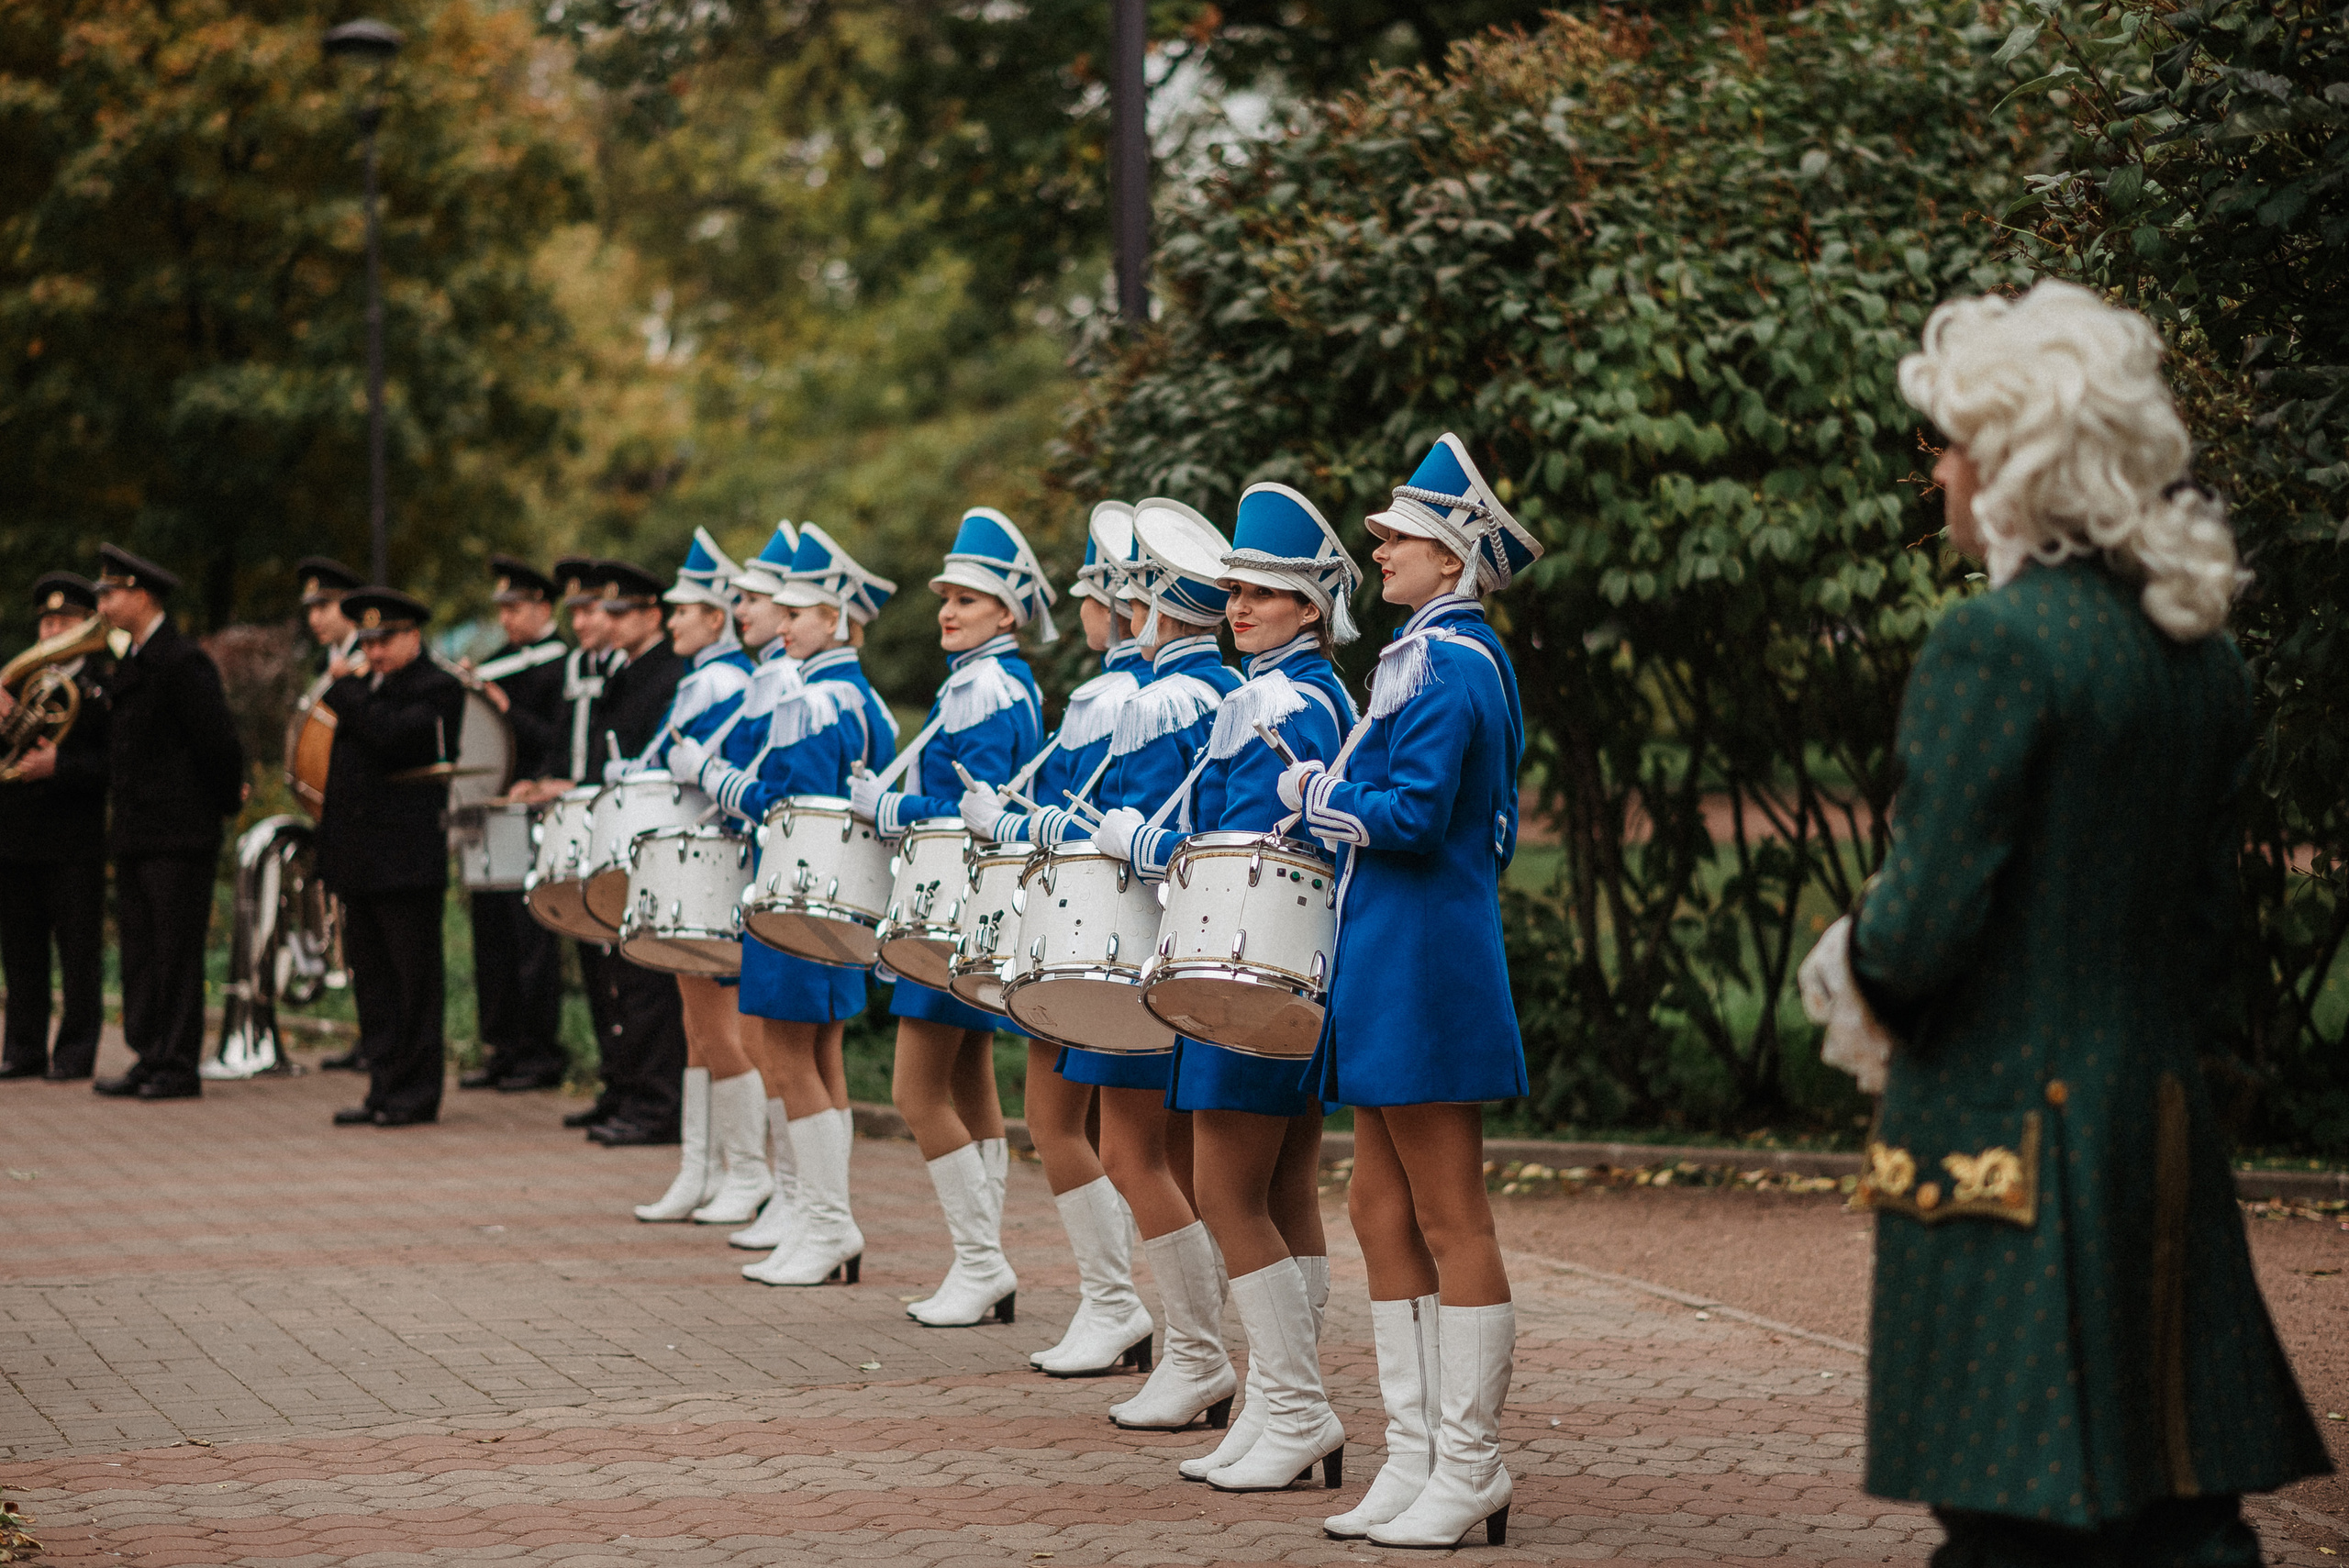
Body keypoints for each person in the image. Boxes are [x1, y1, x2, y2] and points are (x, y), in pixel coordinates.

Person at [1817, 281, 2331, 1568]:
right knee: (2180, 1515)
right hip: (2158, 1125)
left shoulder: (1993, 645)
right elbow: (2205, 937)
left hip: (2007, 1140)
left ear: (2013, 464)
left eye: (1952, 443)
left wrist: (1850, 963)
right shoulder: (2201, 655)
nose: (1938, 470)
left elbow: (1920, 935)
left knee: (2010, 1525)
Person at [1280, 433, 1538, 1548]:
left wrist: (1315, 794)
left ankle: (1471, 1463)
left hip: (1428, 954)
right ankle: (1417, 1453)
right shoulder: (1424, 655)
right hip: (1394, 950)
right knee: (1377, 1208)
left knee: (1448, 1210)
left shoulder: (1452, 662)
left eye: (1401, 539)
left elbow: (1420, 815)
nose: (1379, 549)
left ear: (1454, 559)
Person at [1101, 484, 1360, 1490]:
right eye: (1235, 591)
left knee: (1226, 1189)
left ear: (1309, 605)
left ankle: (1294, 1406)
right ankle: (1276, 1402)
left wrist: (1147, 844)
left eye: (1261, 593)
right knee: (1283, 1186)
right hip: (1280, 964)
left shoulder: (1282, 703)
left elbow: (1250, 847)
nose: (1237, 607)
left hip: (1247, 957)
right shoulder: (1288, 693)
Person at [970, 499, 1243, 1426]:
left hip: (1130, 940)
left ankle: (1191, 1349)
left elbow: (1132, 827)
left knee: (1135, 1151)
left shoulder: (1160, 698)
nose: (1100, 611)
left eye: (1111, 593)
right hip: (1151, 938)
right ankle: (1178, 1340)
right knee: (1166, 1156)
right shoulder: (1195, 690)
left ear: (1146, 603)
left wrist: (1030, 828)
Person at [961, 503, 1152, 1376]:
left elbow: (1088, 820)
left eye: (1089, 593)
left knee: (1073, 1127)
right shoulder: (1114, 690)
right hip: (1086, 923)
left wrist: (1010, 823)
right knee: (1089, 1129)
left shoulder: (1120, 696)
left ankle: (1118, 1304)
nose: (1078, 608)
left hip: (1095, 929)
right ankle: (1113, 1304)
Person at [851, 507, 1049, 1329]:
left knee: (914, 1089)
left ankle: (982, 1262)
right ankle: (982, 1261)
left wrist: (891, 807)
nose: (947, 611)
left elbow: (980, 805)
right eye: (945, 597)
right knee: (969, 1084)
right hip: (969, 904)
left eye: (966, 599)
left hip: (952, 903)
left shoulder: (986, 689)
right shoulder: (985, 680)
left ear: (1006, 612)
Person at [682, 522, 895, 1285]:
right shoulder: (860, 695)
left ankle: (825, 1221)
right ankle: (815, 1215)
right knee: (820, 1055)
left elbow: (786, 803)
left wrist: (711, 775)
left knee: (787, 1054)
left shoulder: (812, 697)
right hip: (840, 895)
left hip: (798, 889)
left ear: (834, 619)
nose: (782, 624)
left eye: (797, 613)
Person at [612, 532, 767, 1222]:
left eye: (684, 611)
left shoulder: (721, 681)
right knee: (696, 1023)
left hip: (708, 861)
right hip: (692, 860)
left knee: (716, 1026)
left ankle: (747, 1170)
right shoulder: (709, 676)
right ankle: (701, 1168)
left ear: (717, 617)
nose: (672, 621)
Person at [90, 545, 245, 1102]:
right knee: (141, 952)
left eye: (111, 592)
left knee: (174, 952)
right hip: (139, 831)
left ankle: (177, 1063)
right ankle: (149, 1053)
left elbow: (217, 744)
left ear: (142, 595)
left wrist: (220, 805)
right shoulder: (134, 660)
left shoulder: (181, 661)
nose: (102, 604)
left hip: (178, 833)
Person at [315, 588, 469, 1129]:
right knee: (374, 983)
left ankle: (416, 1092)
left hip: (406, 863)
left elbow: (391, 738)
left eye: (385, 641)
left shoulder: (438, 687)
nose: (374, 653)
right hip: (360, 861)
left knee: (413, 983)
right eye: (368, 642)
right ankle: (382, 1086)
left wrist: (345, 690)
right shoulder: (365, 689)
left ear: (413, 636)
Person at [576, 559, 691, 1148]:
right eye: (610, 612)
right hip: (621, 829)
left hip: (650, 833)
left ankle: (656, 1102)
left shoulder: (670, 672)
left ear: (654, 614)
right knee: (617, 973)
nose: (611, 622)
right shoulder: (625, 671)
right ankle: (625, 1087)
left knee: (647, 980)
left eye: (623, 613)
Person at [457, 556, 572, 1092]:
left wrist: (505, 709)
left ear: (543, 608)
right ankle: (500, 1045)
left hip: (533, 809)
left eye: (516, 608)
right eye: (501, 609)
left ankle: (538, 1050)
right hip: (491, 809)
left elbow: (557, 741)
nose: (505, 619)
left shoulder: (560, 663)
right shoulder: (499, 661)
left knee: (531, 938)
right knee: (492, 934)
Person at [0, 573, 113, 1082]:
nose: (52, 632)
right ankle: (22, 1049)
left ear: (85, 625)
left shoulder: (101, 686)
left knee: (78, 952)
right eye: (46, 623)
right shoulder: (18, 683)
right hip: (17, 837)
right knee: (20, 951)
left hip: (74, 839)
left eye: (64, 622)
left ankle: (75, 1052)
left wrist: (60, 766)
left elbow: (116, 762)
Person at [294, 558, 366, 1074]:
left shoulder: (364, 661)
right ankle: (369, 1034)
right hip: (337, 814)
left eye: (325, 606)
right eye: (311, 609)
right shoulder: (334, 661)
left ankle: (378, 1039)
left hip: (365, 817)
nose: (315, 618)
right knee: (354, 931)